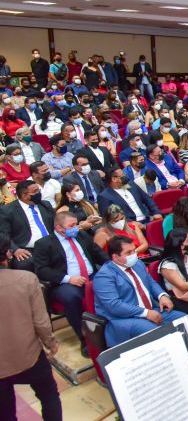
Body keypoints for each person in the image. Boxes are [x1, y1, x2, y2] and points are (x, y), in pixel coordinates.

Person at [0, 234, 63, 421]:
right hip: (30, 356)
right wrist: (50, 343)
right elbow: (41, 321)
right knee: (49, 396)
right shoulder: (26, 279)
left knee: (5, 412)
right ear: (8, 254)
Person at [34, 212, 108, 356]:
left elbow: (97, 253)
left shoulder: (82, 235)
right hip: (65, 282)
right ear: (59, 228)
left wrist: (112, 266)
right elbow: (42, 270)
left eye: (76, 224)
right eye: (72, 225)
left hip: (91, 275)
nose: (76, 228)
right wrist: (68, 278)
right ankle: (86, 339)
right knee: (71, 297)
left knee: (110, 282)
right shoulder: (44, 244)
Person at [93, 235, 184, 346]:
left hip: (151, 309)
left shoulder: (137, 264)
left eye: (134, 250)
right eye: (128, 253)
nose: (134, 255)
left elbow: (150, 282)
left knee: (183, 320)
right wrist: (145, 313)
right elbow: (114, 305)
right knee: (158, 335)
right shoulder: (104, 276)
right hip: (125, 319)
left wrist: (162, 295)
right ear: (115, 257)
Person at [0, 180, 55, 271]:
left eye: (39, 190)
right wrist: (15, 249)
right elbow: (4, 234)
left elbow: (56, 224)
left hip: (52, 244)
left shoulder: (45, 205)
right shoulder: (7, 210)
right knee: (23, 264)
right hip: (27, 249)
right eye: (35, 192)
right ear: (24, 195)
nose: (39, 193)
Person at [98, 168, 162, 223]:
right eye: (122, 175)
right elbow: (110, 219)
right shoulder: (104, 196)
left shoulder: (131, 184)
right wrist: (131, 224)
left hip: (147, 218)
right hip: (130, 226)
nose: (125, 176)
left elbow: (147, 198)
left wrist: (156, 212)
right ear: (114, 179)